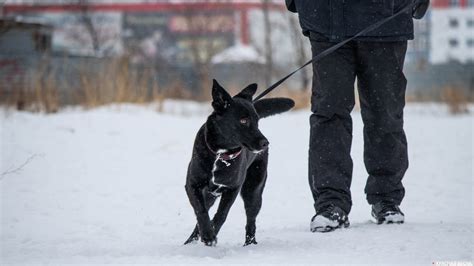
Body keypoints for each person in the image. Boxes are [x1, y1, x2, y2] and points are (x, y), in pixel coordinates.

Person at [285, 0, 429, 232]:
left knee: (385, 115)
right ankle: (330, 203)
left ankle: (386, 199)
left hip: (388, 19)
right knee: (329, 114)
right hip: (326, 19)